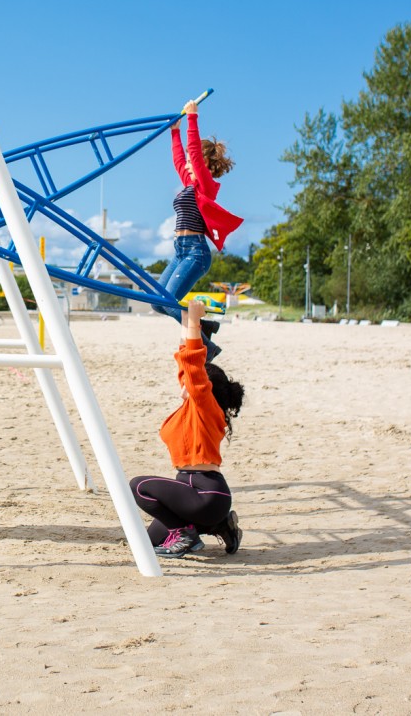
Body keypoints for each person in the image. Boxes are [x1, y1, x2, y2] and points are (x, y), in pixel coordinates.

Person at [129, 299, 244, 558]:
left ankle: (186, 534)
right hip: (196, 499)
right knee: (147, 542)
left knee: (137, 486)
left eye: (194, 381)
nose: (184, 381)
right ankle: (220, 525)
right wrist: (184, 320)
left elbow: (192, 363)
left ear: (205, 387)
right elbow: (185, 365)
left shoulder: (204, 406)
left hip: (205, 493)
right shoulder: (193, 409)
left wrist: (194, 320)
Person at [153, 97, 242, 361]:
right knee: (157, 302)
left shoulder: (205, 185)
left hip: (195, 253)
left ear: (202, 162)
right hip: (179, 251)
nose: (189, 164)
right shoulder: (189, 183)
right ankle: (205, 327)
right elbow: (180, 159)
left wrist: (193, 118)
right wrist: (174, 131)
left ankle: (206, 346)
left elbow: (191, 153)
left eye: (196, 160)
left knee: (169, 300)